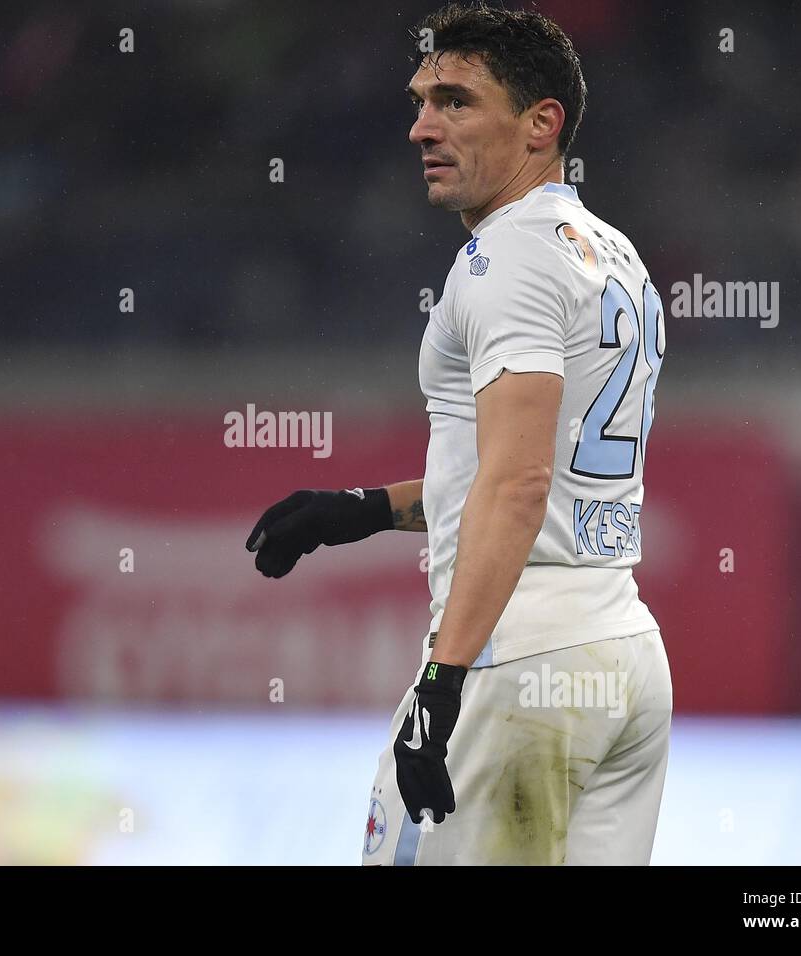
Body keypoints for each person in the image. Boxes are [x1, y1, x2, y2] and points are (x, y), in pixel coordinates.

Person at [245, 3, 672, 865]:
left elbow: (516, 487)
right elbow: (524, 476)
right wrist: (362, 509)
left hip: (517, 663)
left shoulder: (505, 256)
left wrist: (444, 680)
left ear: (541, 123)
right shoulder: (616, 254)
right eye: (419, 101)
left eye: (454, 101)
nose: (421, 127)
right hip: (624, 655)